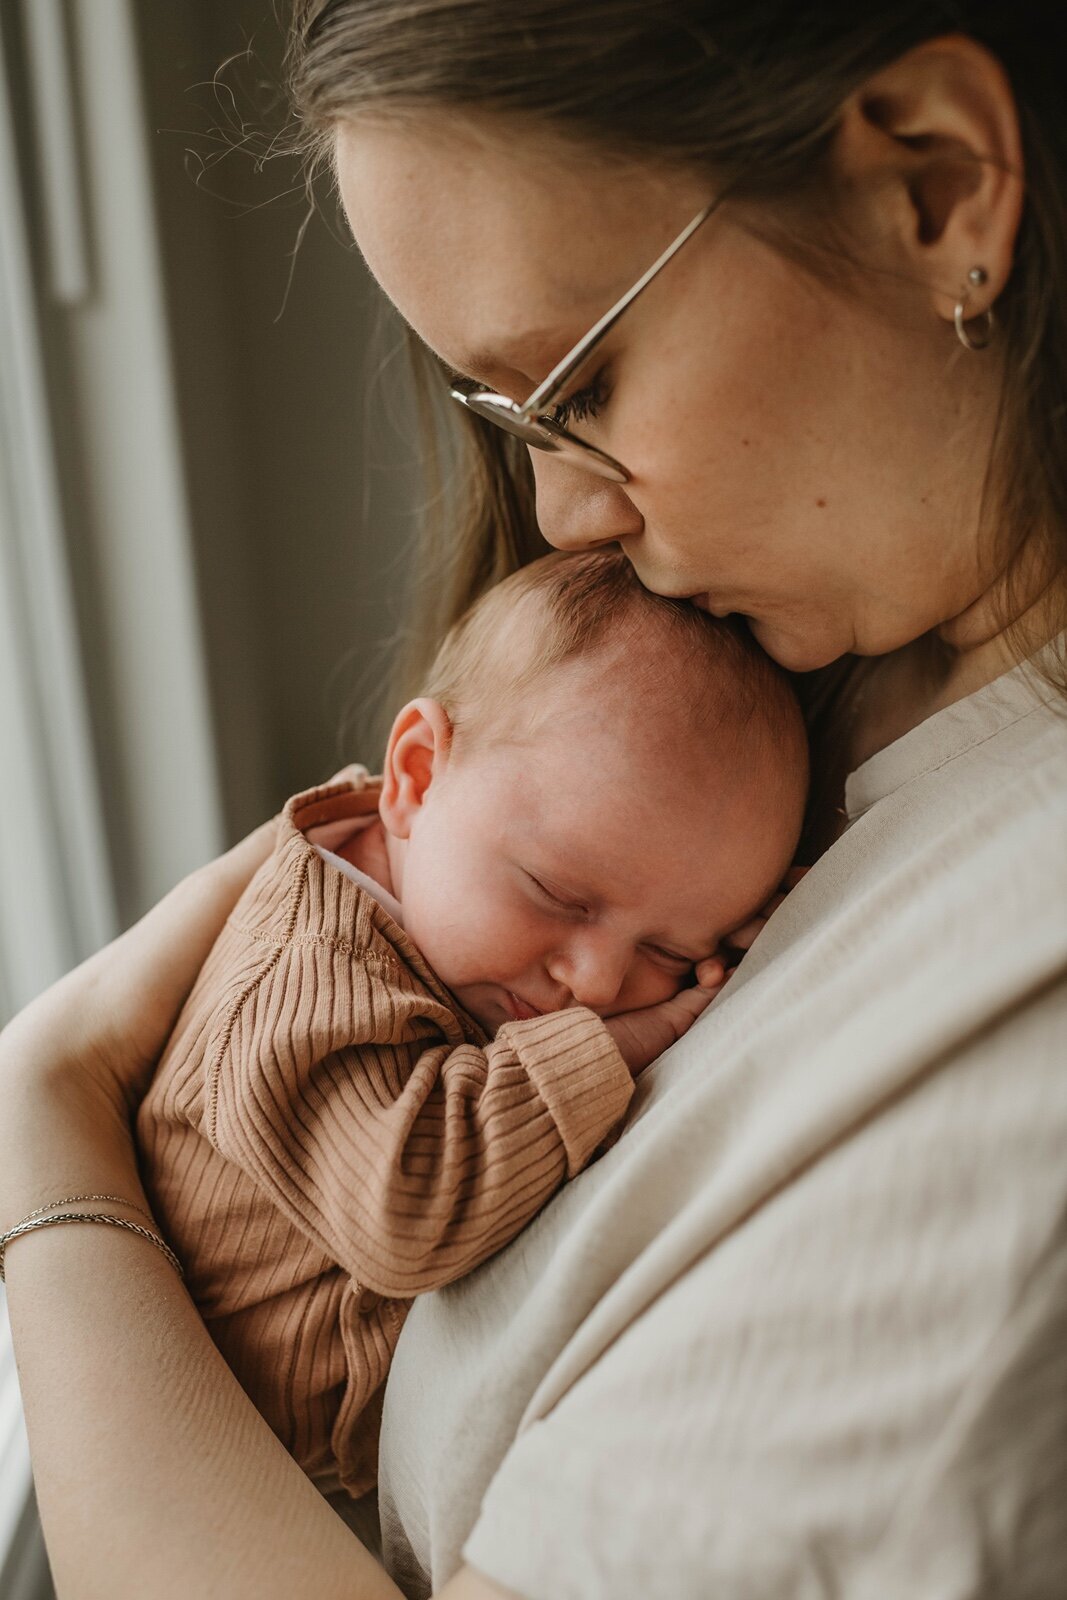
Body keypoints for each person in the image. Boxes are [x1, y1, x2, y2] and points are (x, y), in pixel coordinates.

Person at [1, 4, 1065, 1597]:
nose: (561, 508)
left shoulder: (1008, 997)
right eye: (503, 415)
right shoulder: (758, 691)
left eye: (583, 378)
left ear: (929, 185)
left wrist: (43, 1139)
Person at [135, 548, 805, 1499]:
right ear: (412, 778)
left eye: (670, 947)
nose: (597, 978)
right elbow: (406, 1213)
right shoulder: (305, 981)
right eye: (558, 893)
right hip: (215, 1485)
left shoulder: (459, 923)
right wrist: (639, 1035)